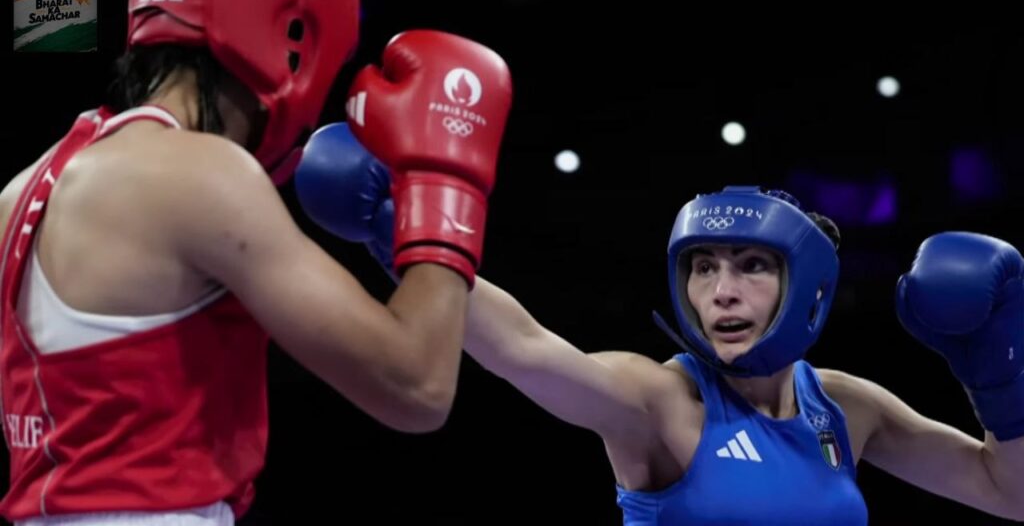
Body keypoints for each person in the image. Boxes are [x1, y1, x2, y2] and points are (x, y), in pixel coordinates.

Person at [0, 0, 513, 524]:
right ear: (291, 34)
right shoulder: (203, 173)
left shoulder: (27, 185)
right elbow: (417, 388)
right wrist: (444, 181)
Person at [295, 126, 1024, 525]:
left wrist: (999, 371)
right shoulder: (658, 403)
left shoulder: (847, 407)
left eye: (750, 267)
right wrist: (403, 236)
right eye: (703, 268)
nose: (722, 292)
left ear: (807, 287)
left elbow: (1006, 492)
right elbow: (519, 347)